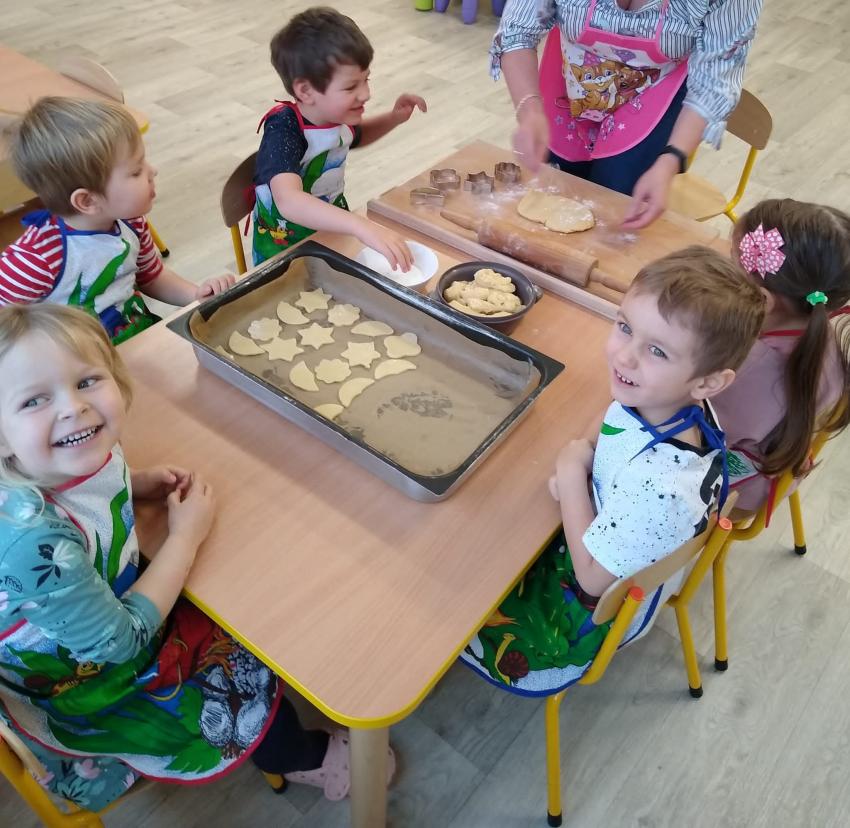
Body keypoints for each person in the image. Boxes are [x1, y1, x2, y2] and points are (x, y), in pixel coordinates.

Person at [0, 304, 393, 810]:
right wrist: (186, 538)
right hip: (92, 678)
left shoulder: (67, 449)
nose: (74, 408)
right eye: (34, 400)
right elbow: (119, 642)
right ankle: (296, 754)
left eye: (87, 381)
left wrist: (134, 483)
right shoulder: (34, 542)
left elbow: (83, 486)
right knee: (240, 680)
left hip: (101, 606)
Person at [461, 246, 765, 694]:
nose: (625, 357)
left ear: (708, 381)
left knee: (455, 597)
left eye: (657, 351)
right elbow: (615, 424)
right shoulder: (669, 401)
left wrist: (571, 476)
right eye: (625, 327)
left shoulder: (663, 487)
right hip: (608, 533)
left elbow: (590, 578)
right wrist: (584, 455)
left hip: (578, 613)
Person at [492, 0, 763, 229]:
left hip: (653, 96)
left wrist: (670, 160)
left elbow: (714, 80)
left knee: (615, 207)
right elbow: (517, 32)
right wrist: (529, 110)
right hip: (570, 82)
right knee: (556, 189)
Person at [0, 97, 235, 344]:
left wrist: (196, 295)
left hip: (137, 336)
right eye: (136, 171)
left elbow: (151, 276)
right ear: (87, 201)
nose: (152, 171)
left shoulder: (131, 222)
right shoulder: (35, 260)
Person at [252, 6, 426, 269]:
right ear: (305, 91)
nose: (366, 94)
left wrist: (393, 118)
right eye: (351, 86)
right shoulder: (284, 127)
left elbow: (356, 136)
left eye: (366, 80)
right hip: (285, 246)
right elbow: (289, 201)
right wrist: (360, 226)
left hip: (331, 230)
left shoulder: (336, 115)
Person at [713, 199, 850, 515]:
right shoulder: (817, 329)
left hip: (728, 494)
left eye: (731, 262)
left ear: (762, 300)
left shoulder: (753, 368)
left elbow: (690, 430)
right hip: (772, 475)